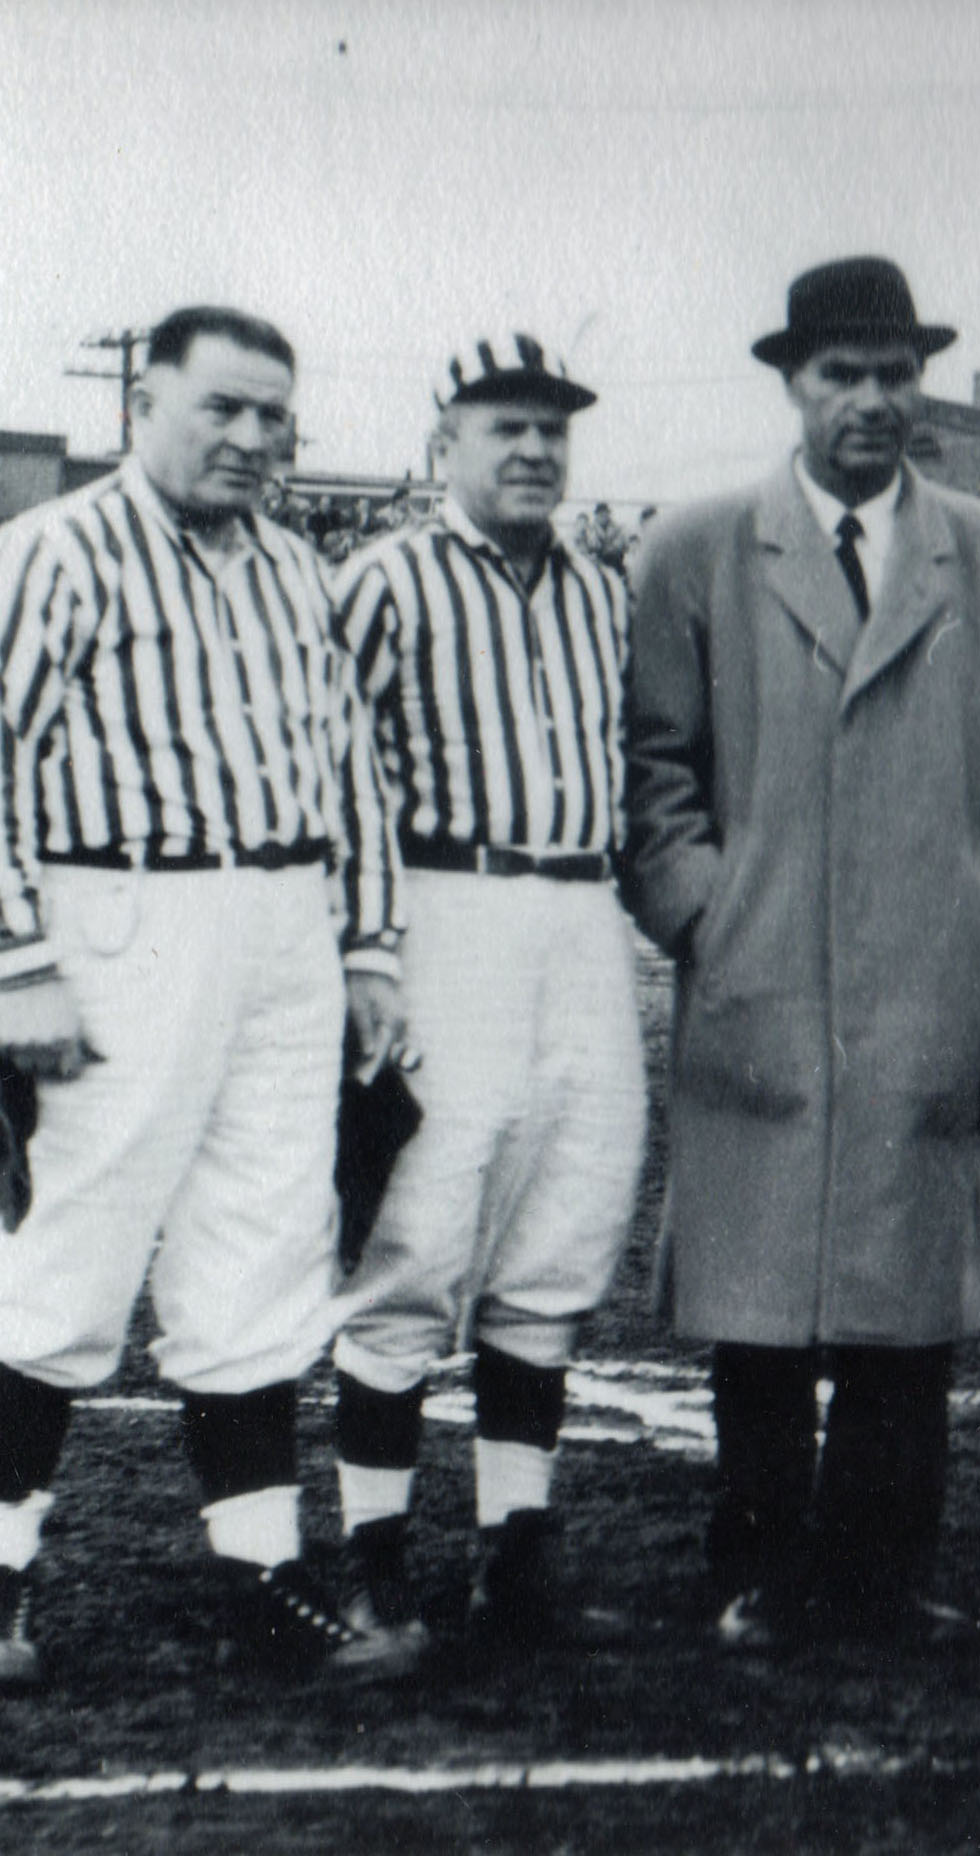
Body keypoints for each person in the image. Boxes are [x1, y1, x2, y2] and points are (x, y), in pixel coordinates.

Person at [622, 257, 980, 1651]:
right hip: (758, 980)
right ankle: (749, 1563)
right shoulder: (693, 550)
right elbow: (653, 776)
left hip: (932, 975)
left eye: (892, 374)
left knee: (901, 1298)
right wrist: (713, 911)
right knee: (756, 1298)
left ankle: (883, 1567)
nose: (870, 402)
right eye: (839, 375)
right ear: (791, 383)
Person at [0, 306, 419, 1684]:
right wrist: (18, 965)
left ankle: (261, 1578)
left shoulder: (299, 569)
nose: (251, 440)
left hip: (283, 920)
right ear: (146, 405)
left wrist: (366, 947)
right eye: (222, 410)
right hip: (118, 912)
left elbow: (348, 768)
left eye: (272, 419)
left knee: (260, 1251)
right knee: (64, 1257)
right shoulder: (53, 552)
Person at [324, 333, 643, 1656]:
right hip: (443, 907)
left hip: (580, 913)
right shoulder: (382, 581)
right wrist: (366, 949)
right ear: (442, 442)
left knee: (563, 1221)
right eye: (502, 427)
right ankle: (375, 1564)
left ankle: (516, 1555)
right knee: (417, 1229)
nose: (531, 450)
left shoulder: (599, 591)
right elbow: (331, 770)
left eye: (550, 429)